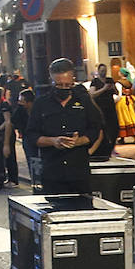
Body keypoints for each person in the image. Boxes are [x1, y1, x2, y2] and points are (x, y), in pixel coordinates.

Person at [26, 58, 104, 195]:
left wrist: (79, 141)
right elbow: (32, 136)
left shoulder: (83, 101)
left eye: (68, 85)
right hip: (52, 173)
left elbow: (95, 130)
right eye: (59, 85)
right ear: (51, 80)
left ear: (73, 80)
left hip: (79, 173)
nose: (63, 88)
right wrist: (53, 141)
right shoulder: (41, 104)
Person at [88, 74, 120, 160]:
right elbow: (92, 94)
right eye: (102, 70)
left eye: (104, 70)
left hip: (111, 109)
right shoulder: (95, 81)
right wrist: (104, 89)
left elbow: (117, 93)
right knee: (103, 130)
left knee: (114, 129)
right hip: (100, 109)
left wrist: (113, 88)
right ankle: (104, 150)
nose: (103, 72)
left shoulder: (109, 79)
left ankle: (112, 148)